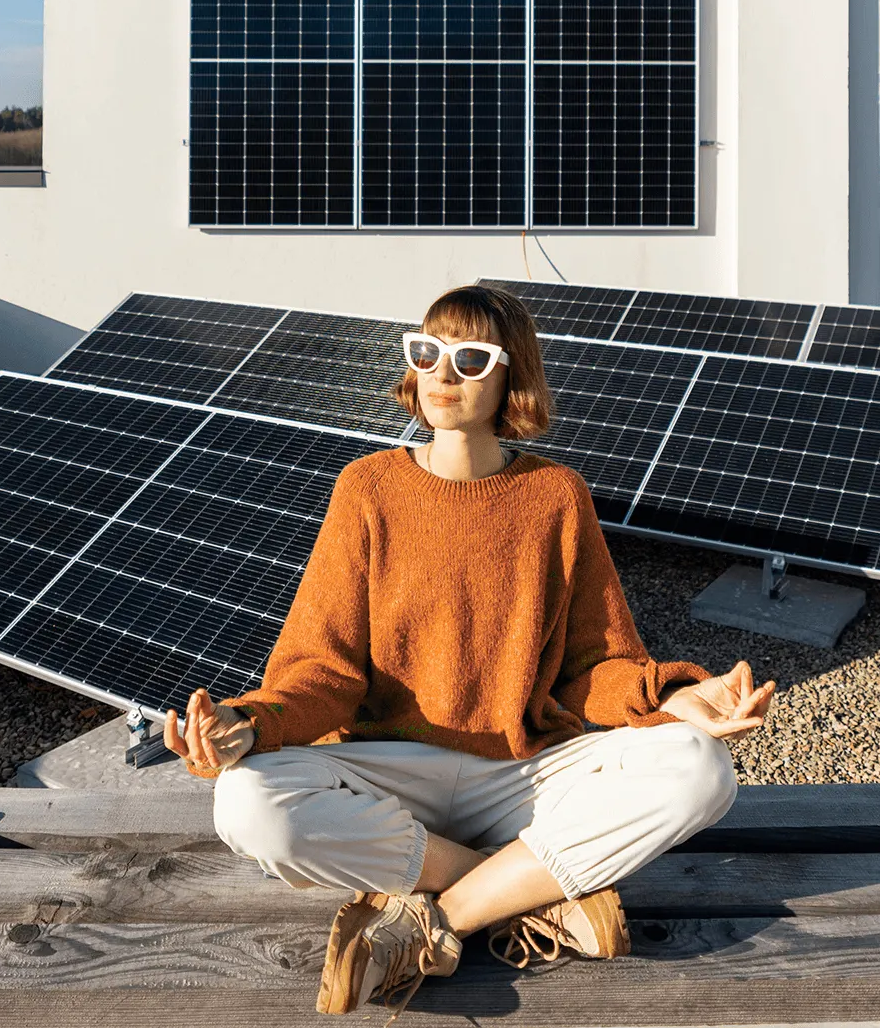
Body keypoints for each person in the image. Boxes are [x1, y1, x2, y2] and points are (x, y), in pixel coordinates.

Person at [163, 284, 774, 1019]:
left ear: (512, 374)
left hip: (525, 775)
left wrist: (672, 697)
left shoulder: (556, 495)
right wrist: (248, 723)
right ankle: (522, 890)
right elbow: (322, 669)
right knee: (244, 801)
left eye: (470, 358)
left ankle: (437, 916)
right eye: (426, 352)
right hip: (390, 773)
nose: (442, 372)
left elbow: (592, 666)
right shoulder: (367, 489)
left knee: (701, 768)